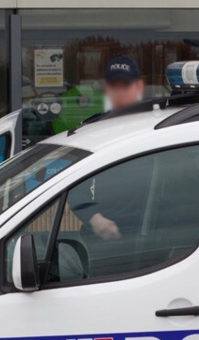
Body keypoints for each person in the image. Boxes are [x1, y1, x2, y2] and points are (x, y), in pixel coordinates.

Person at [68, 56, 146, 243]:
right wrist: (93, 218)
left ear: (138, 87)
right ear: (107, 89)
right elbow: (74, 184)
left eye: (125, 86)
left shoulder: (158, 127)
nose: (119, 92)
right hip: (105, 234)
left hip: (151, 233)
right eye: (114, 86)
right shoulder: (97, 131)